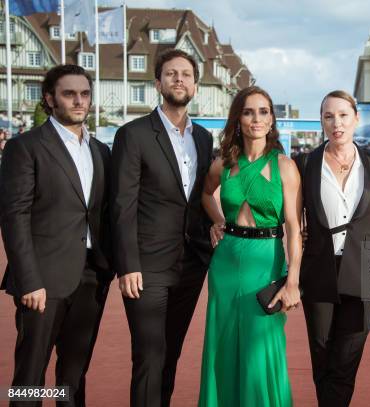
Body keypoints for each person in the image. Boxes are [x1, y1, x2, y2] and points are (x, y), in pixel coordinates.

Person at [0, 64, 113, 406]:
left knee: (74, 375)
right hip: (43, 281)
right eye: (69, 94)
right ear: (50, 99)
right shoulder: (25, 147)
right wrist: (29, 280)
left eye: (84, 94)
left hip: (92, 276)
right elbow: (14, 216)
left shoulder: (101, 152)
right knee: (31, 376)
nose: (79, 101)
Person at [111, 49, 214, 407]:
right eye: (171, 74)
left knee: (170, 355)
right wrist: (127, 265)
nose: (179, 80)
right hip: (146, 266)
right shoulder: (133, 135)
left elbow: (200, 196)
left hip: (190, 264)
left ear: (196, 86)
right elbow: (122, 205)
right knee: (149, 356)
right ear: (158, 83)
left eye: (186, 74)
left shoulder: (203, 138)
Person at [198, 86, 302, 406]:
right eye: (248, 111)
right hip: (226, 263)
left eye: (263, 111)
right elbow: (205, 194)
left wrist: (293, 282)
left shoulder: (284, 166)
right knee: (224, 346)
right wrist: (217, 220)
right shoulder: (223, 164)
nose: (256, 118)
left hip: (267, 263)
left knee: (262, 350)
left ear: (272, 120)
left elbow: (295, 229)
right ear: (238, 119)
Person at [297, 90, 370, 407]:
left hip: (362, 272)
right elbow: (285, 215)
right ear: (321, 121)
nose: (337, 123)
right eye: (328, 116)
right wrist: (218, 220)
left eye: (343, 115)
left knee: (346, 362)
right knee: (322, 359)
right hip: (318, 271)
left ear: (356, 118)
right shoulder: (304, 164)